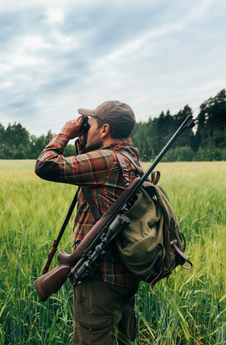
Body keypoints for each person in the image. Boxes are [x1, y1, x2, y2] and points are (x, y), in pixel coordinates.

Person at [35, 100, 142, 345]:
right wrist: (84, 142)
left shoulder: (106, 160)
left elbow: (45, 165)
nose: (85, 127)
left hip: (98, 280)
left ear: (104, 130)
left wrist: (64, 134)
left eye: (90, 123)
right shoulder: (132, 161)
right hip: (125, 277)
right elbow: (89, 175)